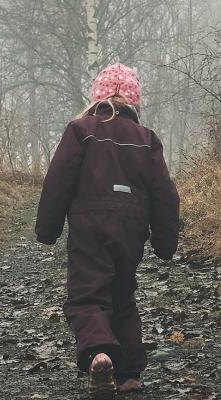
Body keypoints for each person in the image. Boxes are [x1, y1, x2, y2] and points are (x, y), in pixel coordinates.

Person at [34, 63, 180, 397]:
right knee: (123, 295)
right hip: (131, 228)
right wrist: (165, 240)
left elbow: (58, 181)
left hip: (89, 224)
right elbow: (164, 193)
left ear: (97, 98)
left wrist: (48, 228)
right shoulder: (147, 140)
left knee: (87, 295)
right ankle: (129, 374)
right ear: (135, 102)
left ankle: (99, 352)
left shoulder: (81, 130)